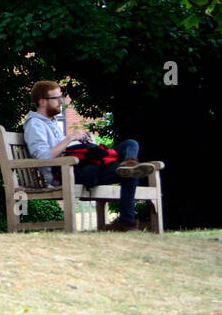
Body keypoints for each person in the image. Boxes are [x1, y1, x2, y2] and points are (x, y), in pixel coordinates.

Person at [21, 80, 158, 232]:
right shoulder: (35, 125)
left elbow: (65, 149)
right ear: (42, 101)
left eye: (61, 97)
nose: (61, 101)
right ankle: (127, 221)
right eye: (57, 98)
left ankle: (129, 164)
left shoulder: (51, 122)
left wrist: (84, 143)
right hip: (67, 174)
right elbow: (43, 158)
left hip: (82, 166)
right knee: (131, 173)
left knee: (130, 145)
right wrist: (70, 138)